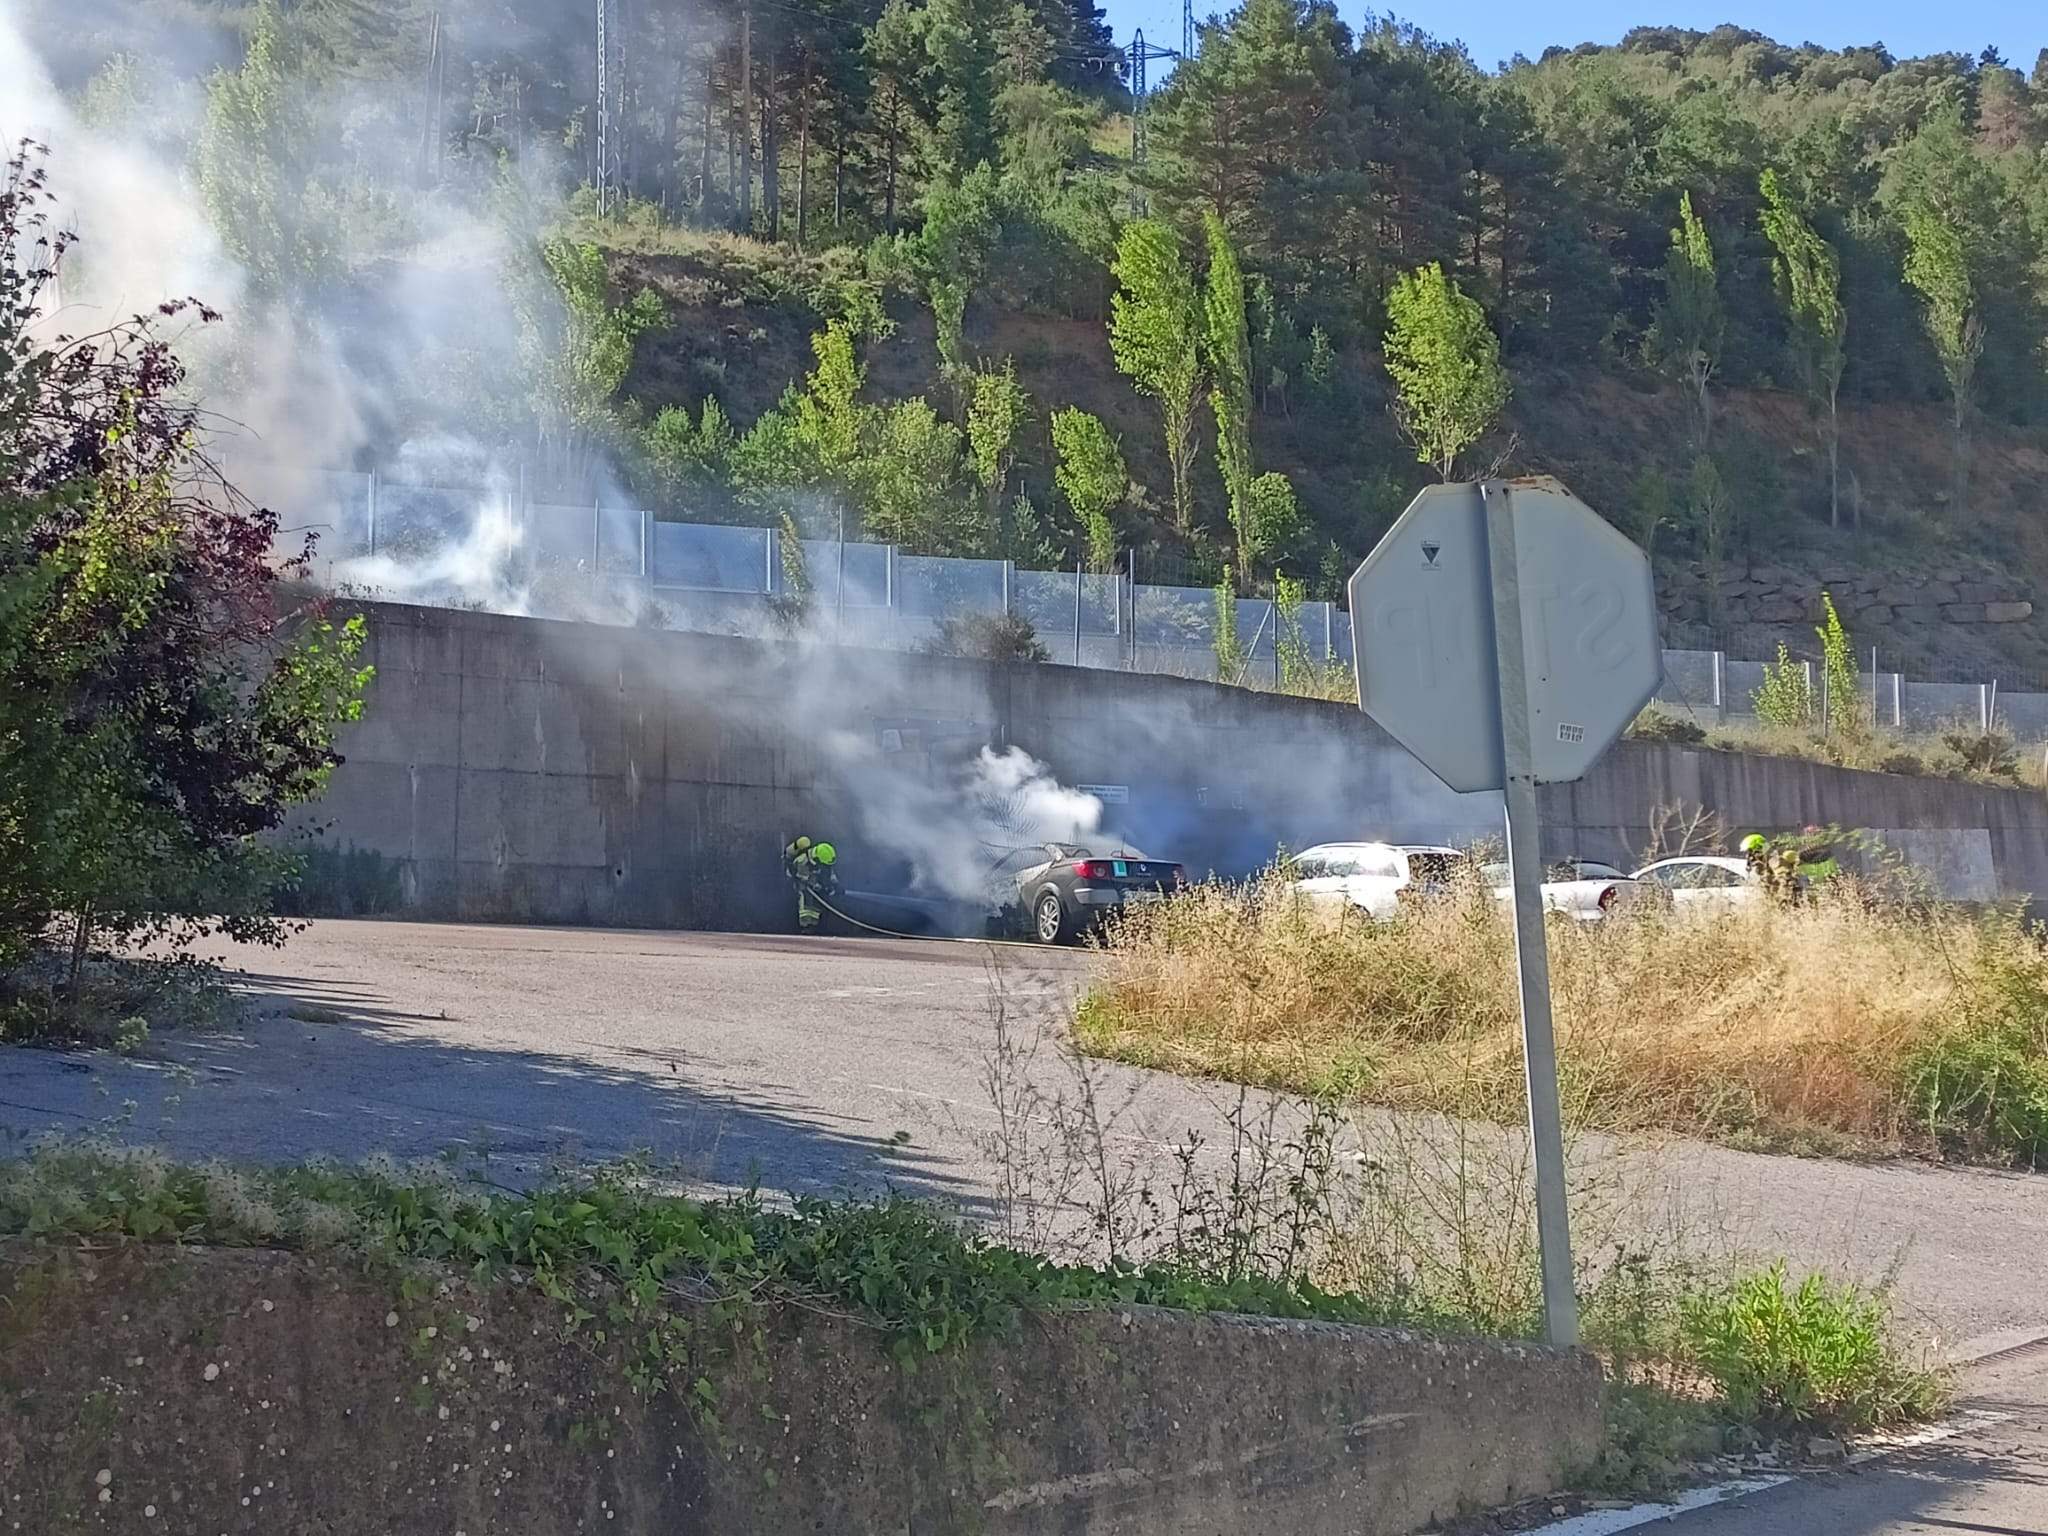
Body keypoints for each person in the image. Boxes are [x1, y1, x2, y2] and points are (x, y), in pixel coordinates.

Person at [783, 835, 840, 933]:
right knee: (805, 898)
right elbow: (801, 877)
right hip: (799, 880)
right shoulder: (803, 861)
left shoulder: (823, 860)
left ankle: (815, 924)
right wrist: (817, 885)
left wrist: (835, 884)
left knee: (818, 903)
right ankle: (805, 925)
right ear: (817, 859)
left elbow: (830, 872)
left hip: (812, 878)